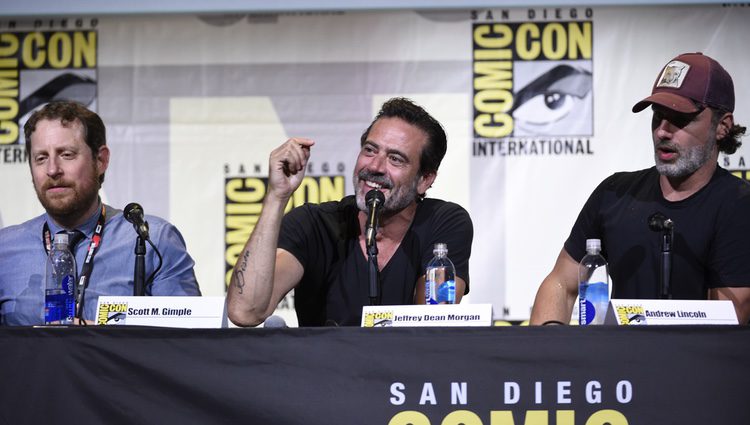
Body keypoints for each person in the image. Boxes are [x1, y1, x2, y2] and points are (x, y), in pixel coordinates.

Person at [530, 52, 750, 325]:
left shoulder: (739, 204)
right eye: (658, 117)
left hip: (695, 366)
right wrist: (551, 352)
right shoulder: (615, 193)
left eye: (680, 119)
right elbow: (560, 284)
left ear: (722, 127)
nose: (662, 132)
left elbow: (731, 317)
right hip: (619, 365)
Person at [227, 97, 473, 327]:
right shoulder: (313, 224)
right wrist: (276, 196)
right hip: (323, 371)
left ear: (425, 179)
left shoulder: (444, 223)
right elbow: (245, 312)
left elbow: (435, 325)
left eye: (395, 159)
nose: (375, 166)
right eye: (370, 150)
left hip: (405, 372)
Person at [0, 101, 201, 326]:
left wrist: (101, 338)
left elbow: (188, 342)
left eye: (66, 154)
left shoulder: (151, 240)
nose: (52, 169)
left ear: (101, 160)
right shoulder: (4, 249)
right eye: (41, 158)